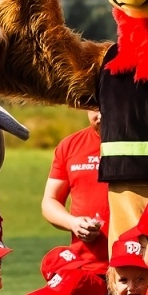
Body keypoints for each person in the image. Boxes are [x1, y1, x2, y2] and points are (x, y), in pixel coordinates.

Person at [43, 110, 109, 261]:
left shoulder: (140, 142)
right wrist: (73, 223)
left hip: (135, 267)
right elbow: (50, 201)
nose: (100, 114)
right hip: (86, 264)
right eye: (93, 107)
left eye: (105, 105)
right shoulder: (70, 145)